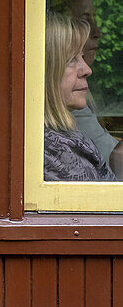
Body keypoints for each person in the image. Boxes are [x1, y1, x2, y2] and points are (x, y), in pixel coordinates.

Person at [47, 0, 119, 163]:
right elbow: (111, 158)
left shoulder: (74, 91)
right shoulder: (65, 95)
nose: (97, 32)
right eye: (85, 20)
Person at [43, 12, 117, 181]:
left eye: (82, 57)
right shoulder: (56, 153)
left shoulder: (65, 138)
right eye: (71, 60)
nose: (87, 70)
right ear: (45, 72)